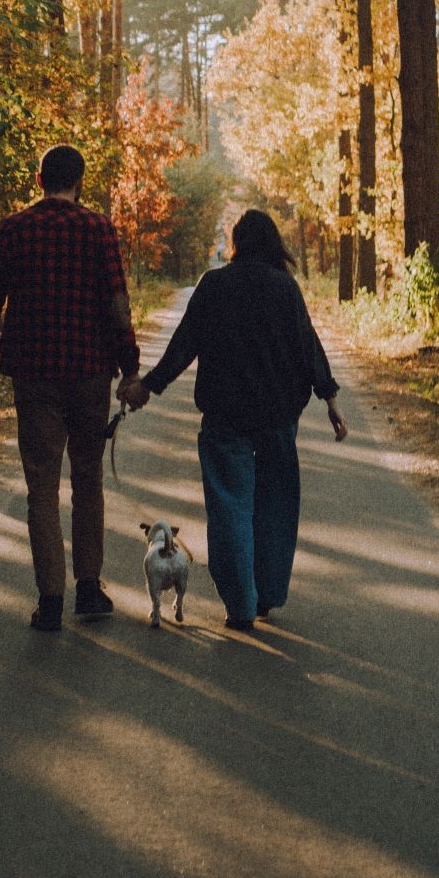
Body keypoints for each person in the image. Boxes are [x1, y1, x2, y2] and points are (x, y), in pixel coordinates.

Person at [118, 209, 346, 632]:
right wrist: (329, 398)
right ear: (274, 244)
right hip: (278, 418)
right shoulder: (285, 288)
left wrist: (148, 385)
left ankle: (241, 605)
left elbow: (184, 344)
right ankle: (267, 594)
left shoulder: (215, 285)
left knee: (230, 511)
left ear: (236, 242)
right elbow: (308, 345)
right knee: (275, 508)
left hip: (226, 419)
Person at [0, 144, 140, 632]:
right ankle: (88, 590)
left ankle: (50, 599)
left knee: (41, 485)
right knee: (87, 477)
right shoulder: (98, 230)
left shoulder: (15, 230)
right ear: (80, 181)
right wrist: (129, 367)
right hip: (90, 372)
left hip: (34, 374)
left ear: (40, 178)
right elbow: (117, 304)